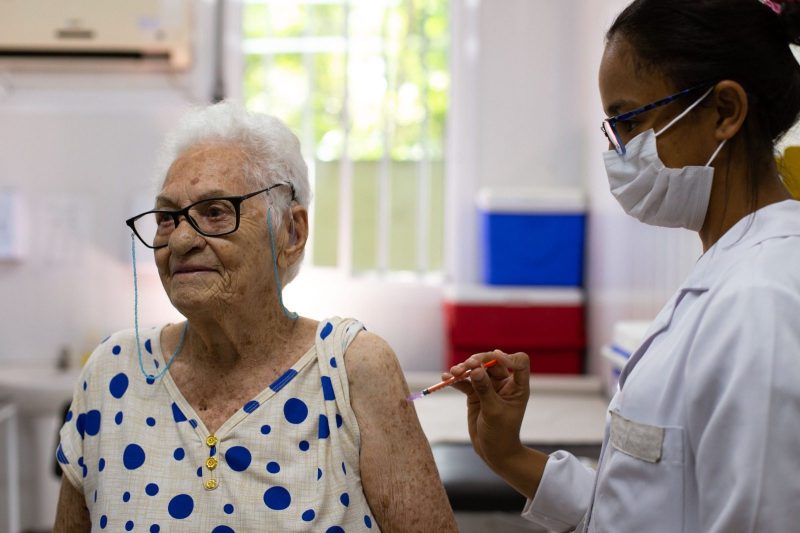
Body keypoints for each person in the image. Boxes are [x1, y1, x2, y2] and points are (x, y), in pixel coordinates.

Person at [449, 0, 800, 531]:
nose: (618, 153)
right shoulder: (725, 275)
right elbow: (649, 504)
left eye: (631, 120)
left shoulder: (762, 302)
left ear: (725, 111)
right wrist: (509, 455)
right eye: (612, 129)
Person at [53, 101, 457, 532]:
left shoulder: (352, 370)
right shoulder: (113, 373)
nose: (183, 239)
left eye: (215, 212)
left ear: (291, 233)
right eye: (168, 217)